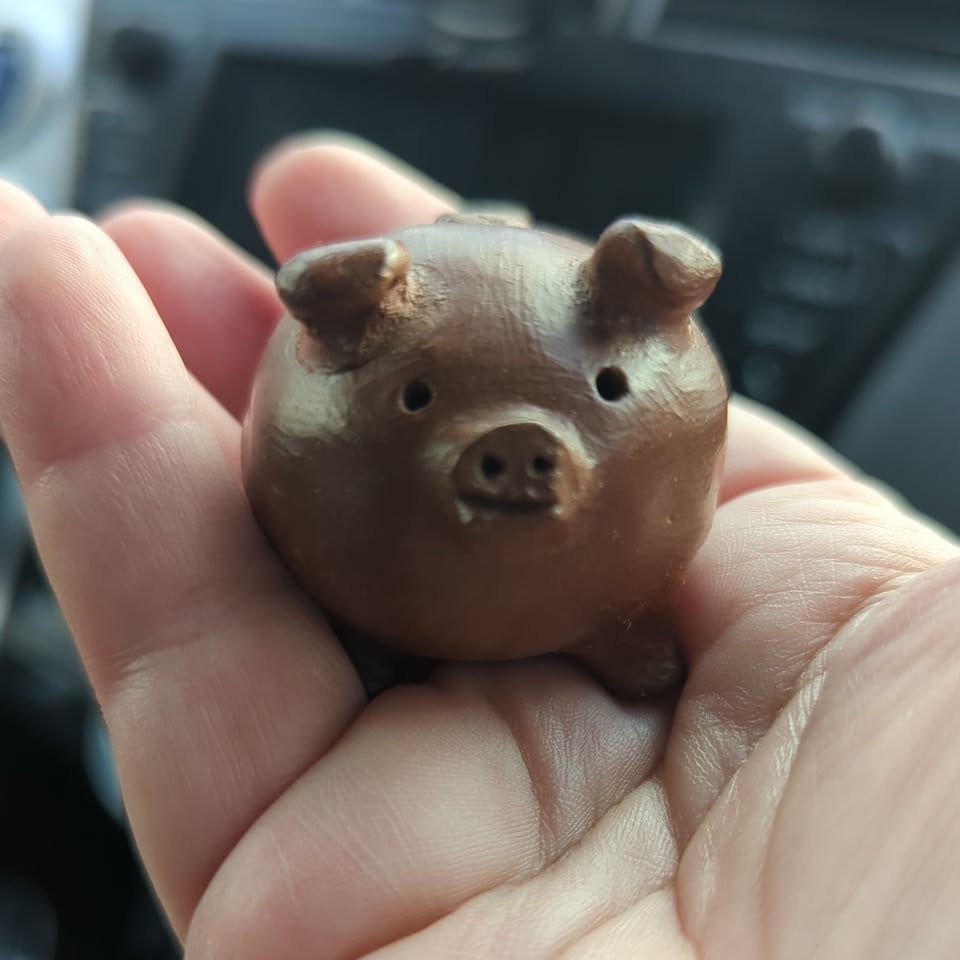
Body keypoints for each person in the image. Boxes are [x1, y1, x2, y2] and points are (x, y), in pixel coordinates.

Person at [0, 135, 958, 959]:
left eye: (607, 389)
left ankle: (610, 626)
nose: (522, 459)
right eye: (417, 400)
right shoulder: (336, 383)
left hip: (620, 605)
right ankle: (379, 634)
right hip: (369, 592)